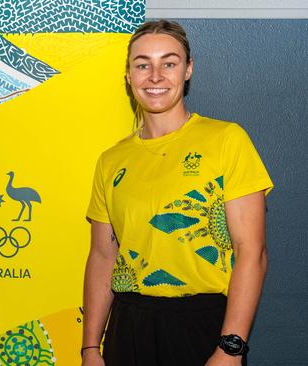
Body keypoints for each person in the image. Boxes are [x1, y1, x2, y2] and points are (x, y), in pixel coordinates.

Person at [81, 20, 273, 366]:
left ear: (188, 70)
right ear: (129, 76)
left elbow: (252, 252)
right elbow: (102, 256)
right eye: (143, 65)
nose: (155, 76)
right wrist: (91, 347)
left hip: (203, 325)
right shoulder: (111, 160)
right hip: (129, 327)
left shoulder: (227, 141)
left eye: (168, 63)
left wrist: (231, 347)